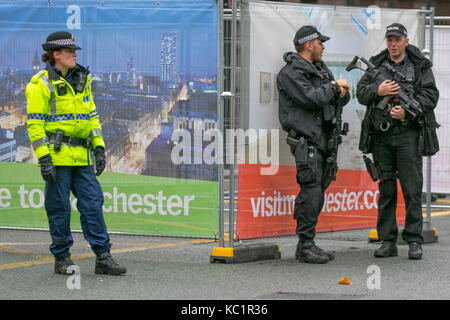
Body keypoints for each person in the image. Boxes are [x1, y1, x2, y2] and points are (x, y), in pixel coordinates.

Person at [26, 31, 126, 275]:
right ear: (55, 55)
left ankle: (103, 258)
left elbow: (91, 117)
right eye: (69, 51)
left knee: (93, 204)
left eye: (74, 51)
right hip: (57, 158)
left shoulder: (82, 79)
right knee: (59, 208)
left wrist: (99, 146)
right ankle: (62, 259)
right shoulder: (40, 84)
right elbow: (35, 125)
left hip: (82, 157)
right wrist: (44, 158)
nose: (74, 54)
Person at [356, 23, 439, 260]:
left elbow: (431, 95)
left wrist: (407, 112)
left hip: (408, 136)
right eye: (390, 40)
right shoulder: (377, 65)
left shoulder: (419, 66)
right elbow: (361, 93)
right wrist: (379, 91)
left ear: (406, 41)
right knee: (387, 190)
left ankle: (413, 239)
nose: (393, 44)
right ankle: (388, 241)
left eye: (397, 40)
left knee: (412, 190)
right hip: (382, 137)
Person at [277, 25, 351, 264]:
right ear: (309, 45)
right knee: (312, 190)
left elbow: (337, 97)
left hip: (323, 139)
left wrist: (340, 91)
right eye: (320, 43)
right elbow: (311, 99)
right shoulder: (290, 73)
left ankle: (307, 243)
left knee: (317, 190)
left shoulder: (320, 68)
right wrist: (333, 87)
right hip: (307, 140)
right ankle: (305, 245)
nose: (323, 47)